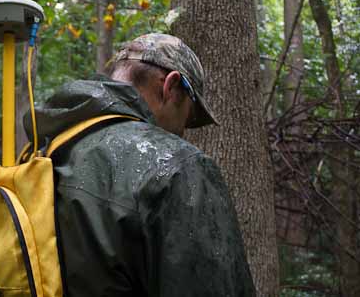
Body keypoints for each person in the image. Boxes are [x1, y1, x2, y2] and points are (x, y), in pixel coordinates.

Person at [24, 33, 255, 296]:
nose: (182, 132)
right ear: (170, 85)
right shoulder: (178, 166)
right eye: (187, 117)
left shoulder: (42, 154)